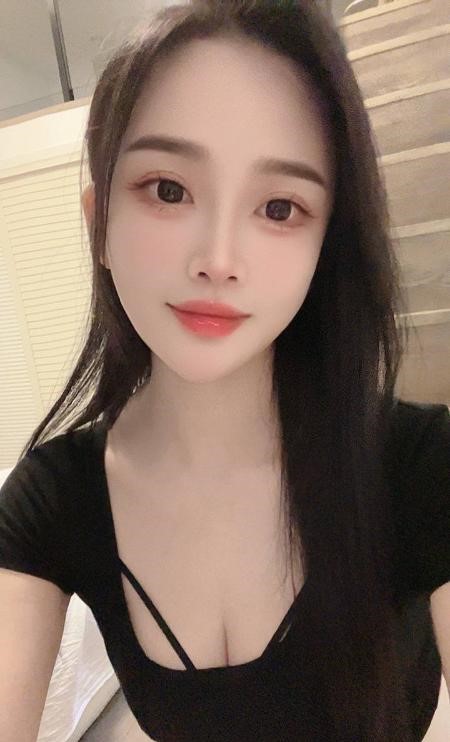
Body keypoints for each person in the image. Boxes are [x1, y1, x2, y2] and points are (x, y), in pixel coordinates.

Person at [0, 1, 449, 740]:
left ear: (325, 244)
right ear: (97, 224)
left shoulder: (421, 467)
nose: (218, 259)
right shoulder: (52, 499)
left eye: (279, 207)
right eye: (168, 190)